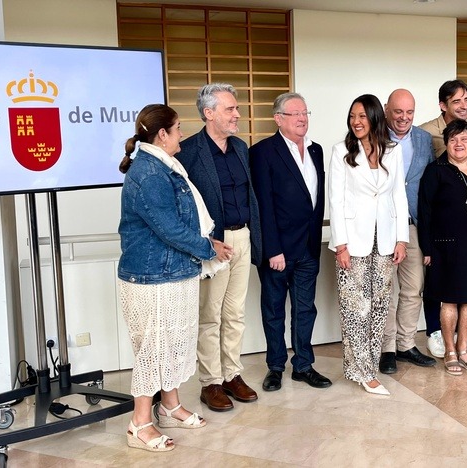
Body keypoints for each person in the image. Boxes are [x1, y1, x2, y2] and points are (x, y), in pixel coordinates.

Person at [117, 104, 232, 451]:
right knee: (153, 349)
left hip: (172, 271)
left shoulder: (162, 165)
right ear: (162, 134)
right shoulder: (150, 173)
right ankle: (139, 424)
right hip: (152, 276)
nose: (183, 133)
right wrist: (208, 247)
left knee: (173, 343)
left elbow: (177, 223)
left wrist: (203, 244)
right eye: (178, 128)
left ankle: (170, 406)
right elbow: (168, 228)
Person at [177, 83, 263, 411]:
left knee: (235, 314)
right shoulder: (188, 152)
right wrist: (206, 245)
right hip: (214, 244)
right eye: (229, 109)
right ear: (209, 113)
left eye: (236, 108)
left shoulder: (241, 148)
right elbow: (183, 208)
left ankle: (232, 375)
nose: (237, 114)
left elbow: (251, 196)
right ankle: (210, 382)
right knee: (210, 316)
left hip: (243, 238)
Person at [249, 92, 332, 392]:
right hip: (278, 250)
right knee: (273, 309)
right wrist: (273, 249)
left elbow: (316, 198)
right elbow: (263, 205)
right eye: (294, 113)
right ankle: (275, 367)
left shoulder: (316, 150)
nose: (302, 118)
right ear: (278, 118)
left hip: (308, 246)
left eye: (305, 113)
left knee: (305, 308)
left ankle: (304, 365)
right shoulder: (263, 151)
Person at [329, 94, 409, 395]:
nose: (356, 122)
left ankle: (369, 365)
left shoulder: (393, 150)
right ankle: (360, 370)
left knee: (378, 306)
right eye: (352, 116)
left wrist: (402, 238)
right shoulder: (341, 151)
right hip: (353, 241)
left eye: (362, 116)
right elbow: (335, 200)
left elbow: (398, 196)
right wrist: (341, 244)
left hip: (386, 240)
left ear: (375, 117)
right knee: (355, 307)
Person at [418, 119, 467, 376]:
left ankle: (463, 349)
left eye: (464, 139)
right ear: (447, 143)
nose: (458, 144)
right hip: (445, 246)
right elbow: (425, 211)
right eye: (453, 140)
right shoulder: (435, 170)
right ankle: (450, 351)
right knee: (449, 299)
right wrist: (426, 248)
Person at [420, 79, 467, 356]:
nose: (464, 105)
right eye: (457, 100)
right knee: (438, 282)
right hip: (437, 216)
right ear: (443, 104)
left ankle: (463, 336)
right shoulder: (424, 133)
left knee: (466, 284)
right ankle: (436, 331)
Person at [379, 89, 436, 374]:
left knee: (413, 289)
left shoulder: (424, 140)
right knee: (386, 290)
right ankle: (386, 348)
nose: (404, 118)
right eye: (398, 111)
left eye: (409, 112)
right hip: (384, 227)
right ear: (387, 109)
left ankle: (405, 344)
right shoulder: (373, 137)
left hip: (414, 226)